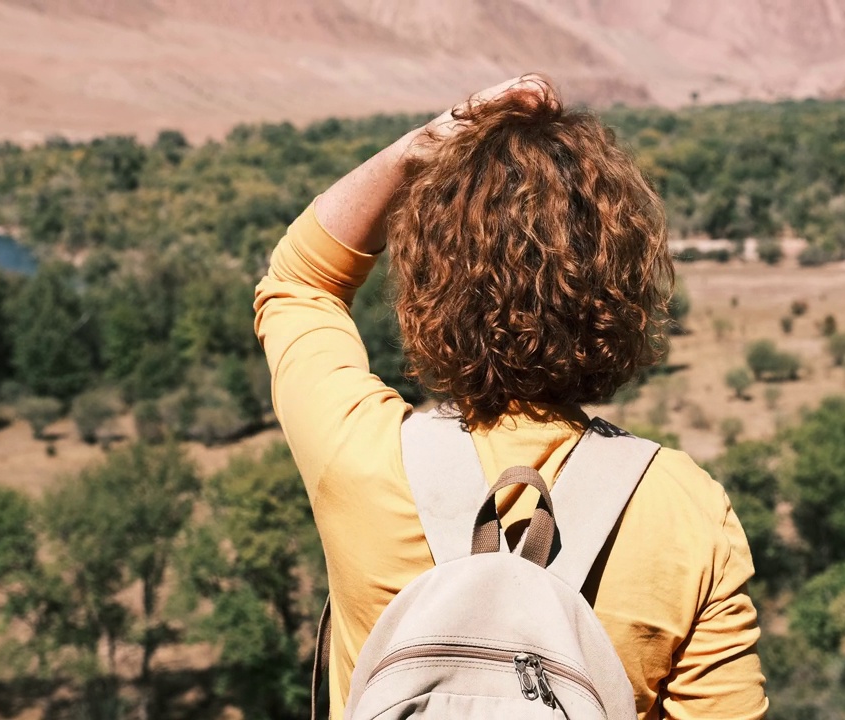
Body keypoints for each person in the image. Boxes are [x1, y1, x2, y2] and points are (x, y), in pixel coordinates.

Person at [254, 75, 768, 719]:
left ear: (428, 284)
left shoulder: (360, 456)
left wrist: (416, 151)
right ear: (624, 291)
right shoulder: (686, 511)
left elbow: (300, 280)